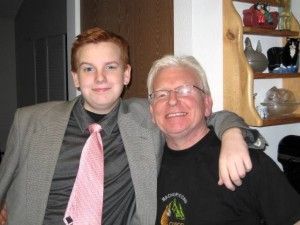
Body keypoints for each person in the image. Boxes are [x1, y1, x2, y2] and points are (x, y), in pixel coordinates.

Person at [0, 27, 264, 225]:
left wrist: (232, 134)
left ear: (126, 74)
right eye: (88, 69)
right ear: (76, 78)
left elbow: (200, 115)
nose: (100, 78)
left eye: (110, 67)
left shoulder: (145, 118)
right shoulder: (30, 121)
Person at [147, 55, 300, 225]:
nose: (173, 100)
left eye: (185, 90)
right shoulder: (143, 167)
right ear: (152, 112)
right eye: (161, 94)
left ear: (206, 104)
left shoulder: (246, 161)